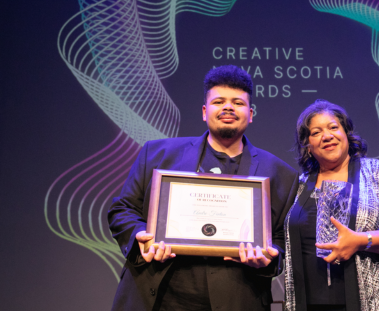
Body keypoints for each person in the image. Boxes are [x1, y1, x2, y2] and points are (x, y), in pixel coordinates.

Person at [108, 65, 299, 311]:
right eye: (219, 101)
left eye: (238, 103)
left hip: (236, 300)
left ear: (250, 114)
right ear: (204, 111)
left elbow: (283, 238)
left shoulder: (280, 174)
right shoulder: (157, 154)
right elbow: (122, 209)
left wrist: (268, 259)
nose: (228, 107)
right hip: (156, 298)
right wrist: (140, 238)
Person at [284, 100, 379, 311]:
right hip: (307, 304)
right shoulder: (299, 185)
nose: (327, 136)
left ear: (346, 133)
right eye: (316, 132)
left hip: (367, 303)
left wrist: (361, 241)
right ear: (307, 145)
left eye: (333, 127)